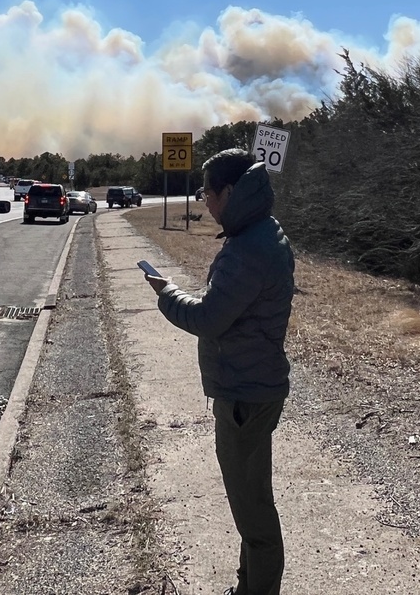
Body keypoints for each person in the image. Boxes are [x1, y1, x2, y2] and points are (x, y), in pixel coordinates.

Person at [144, 149, 295, 595]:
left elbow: (208, 318)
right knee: (250, 503)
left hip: (244, 397)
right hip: (254, 386)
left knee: (253, 512)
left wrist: (166, 292)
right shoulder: (260, 232)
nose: (203, 201)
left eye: (207, 193)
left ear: (230, 192)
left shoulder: (246, 248)